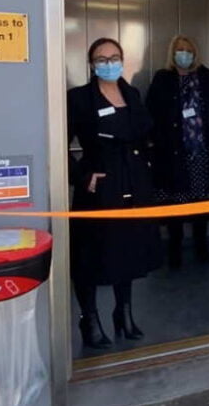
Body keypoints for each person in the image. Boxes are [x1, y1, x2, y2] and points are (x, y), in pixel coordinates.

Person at [67, 37, 163, 348]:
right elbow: (59, 145)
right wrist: (82, 176)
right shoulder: (78, 98)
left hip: (135, 184)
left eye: (114, 57)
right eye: (101, 58)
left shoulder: (132, 93)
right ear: (91, 64)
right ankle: (89, 319)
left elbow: (146, 134)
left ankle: (123, 313)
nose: (109, 63)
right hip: (100, 188)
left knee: (129, 250)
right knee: (89, 255)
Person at [147, 35, 209, 267]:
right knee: (175, 203)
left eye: (188, 50)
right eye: (179, 50)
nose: (184, 54)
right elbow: (151, 115)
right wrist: (158, 142)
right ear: (172, 54)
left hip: (202, 153)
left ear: (195, 53)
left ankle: (201, 246)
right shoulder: (162, 79)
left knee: (201, 203)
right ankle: (174, 249)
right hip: (172, 154)